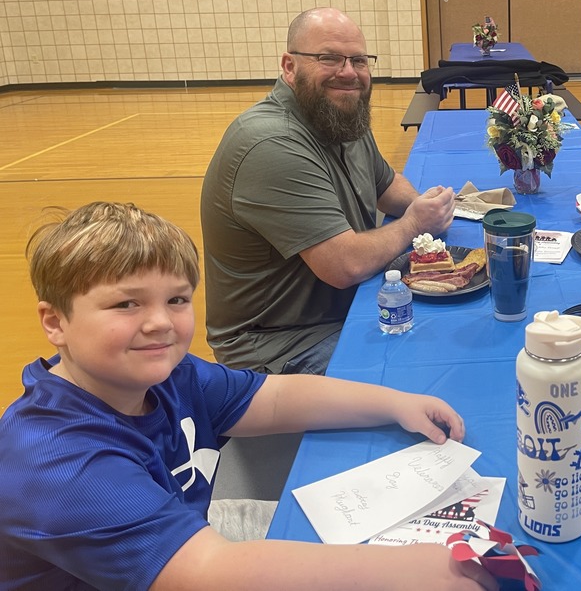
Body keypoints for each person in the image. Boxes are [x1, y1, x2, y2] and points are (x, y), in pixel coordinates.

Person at [0, 201, 497, 591]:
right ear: (55, 322)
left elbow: (276, 397)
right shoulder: (55, 461)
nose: (159, 323)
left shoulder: (169, 376)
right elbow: (203, 571)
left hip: (187, 543)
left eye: (175, 300)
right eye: (126, 304)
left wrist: (394, 403)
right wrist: (406, 573)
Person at [201, 7, 456, 376]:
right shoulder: (270, 144)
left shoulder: (339, 114)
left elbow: (386, 184)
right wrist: (414, 223)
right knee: (428, 366)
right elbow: (344, 264)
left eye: (358, 60)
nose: (348, 72)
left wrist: (421, 202)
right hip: (282, 344)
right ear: (290, 66)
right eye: (329, 58)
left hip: (338, 308)